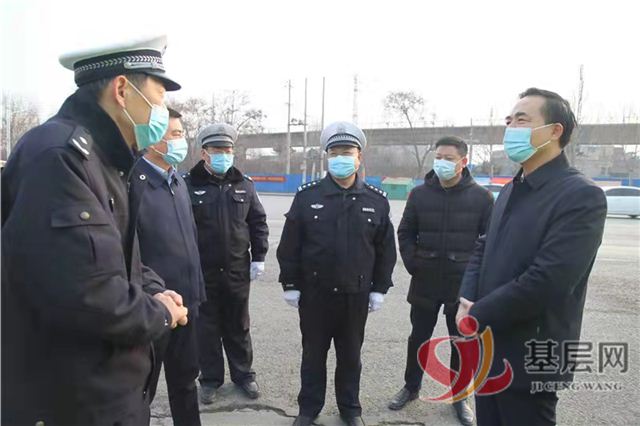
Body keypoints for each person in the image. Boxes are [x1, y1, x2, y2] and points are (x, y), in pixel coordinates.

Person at [1, 35, 189, 426]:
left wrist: (154, 288)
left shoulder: (108, 161)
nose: (162, 110)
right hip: (74, 401)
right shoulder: (60, 157)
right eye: (158, 96)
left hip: (109, 393)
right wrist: (160, 314)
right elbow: (86, 294)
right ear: (122, 90)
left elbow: (116, 260)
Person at [456, 88, 607, 426]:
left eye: (522, 120)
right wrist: (466, 298)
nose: (511, 128)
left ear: (555, 131)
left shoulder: (581, 196)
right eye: (509, 121)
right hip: (488, 347)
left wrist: (477, 313)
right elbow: (484, 246)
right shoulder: (512, 188)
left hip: (531, 355)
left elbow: (549, 280)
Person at [277, 121, 397, 426]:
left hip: (354, 295)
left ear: (359, 157)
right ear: (327, 157)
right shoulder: (307, 196)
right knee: (312, 356)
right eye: (335, 153)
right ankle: (308, 409)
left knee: (350, 357)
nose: (341, 158)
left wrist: (379, 288)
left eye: (347, 152)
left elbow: (385, 250)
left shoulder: (376, 200)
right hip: (315, 294)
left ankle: (350, 409)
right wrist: (290, 283)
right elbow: (290, 245)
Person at [389, 136, 493, 425]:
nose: (442, 163)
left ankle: (460, 398)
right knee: (418, 337)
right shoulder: (419, 195)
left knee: (461, 342)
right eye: (439, 157)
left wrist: (474, 278)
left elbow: (489, 241)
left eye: (449, 158)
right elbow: (405, 232)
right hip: (425, 280)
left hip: (462, 285)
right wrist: (414, 263)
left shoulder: (482, 198)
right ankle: (411, 387)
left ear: (463, 161)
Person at [129, 107, 206, 426]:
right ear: (152, 140)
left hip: (187, 303)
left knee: (186, 380)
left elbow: (190, 241)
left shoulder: (178, 181)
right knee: (139, 390)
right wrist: (150, 295)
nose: (180, 141)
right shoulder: (132, 183)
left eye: (181, 134)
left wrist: (197, 294)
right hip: (152, 306)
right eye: (174, 135)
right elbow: (127, 251)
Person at [184, 123, 269, 403]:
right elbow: (181, 228)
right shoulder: (188, 185)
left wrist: (259, 257)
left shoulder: (245, 184)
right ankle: (210, 380)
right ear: (204, 153)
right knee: (206, 328)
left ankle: (244, 376)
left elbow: (257, 223)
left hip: (236, 270)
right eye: (217, 150)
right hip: (202, 271)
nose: (223, 154)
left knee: (238, 326)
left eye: (227, 149)